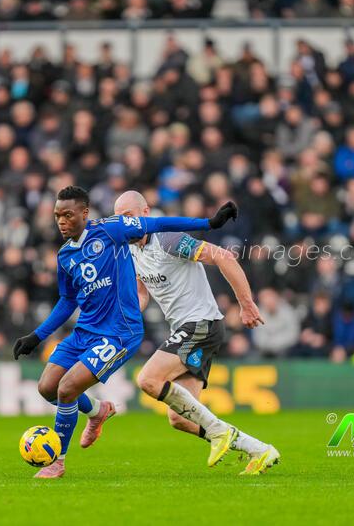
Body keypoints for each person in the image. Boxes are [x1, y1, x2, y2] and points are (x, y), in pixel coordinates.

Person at [12, 186, 239, 478]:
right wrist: (37, 336)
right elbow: (68, 300)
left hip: (118, 332)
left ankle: (57, 461)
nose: (61, 221)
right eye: (57, 216)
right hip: (85, 332)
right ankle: (97, 411)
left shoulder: (111, 230)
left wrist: (209, 223)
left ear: (85, 213)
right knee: (47, 388)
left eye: (67, 215)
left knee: (67, 388)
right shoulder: (65, 255)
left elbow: (157, 223)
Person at [114, 190, 280, 475]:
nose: (124, 224)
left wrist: (247, 305)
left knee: (148, 379)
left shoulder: (167, 239)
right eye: (119, 219)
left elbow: (224, 257)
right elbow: (142, 292)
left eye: (129, 217)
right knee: (179, 418)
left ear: (145, 213)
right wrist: (125, 316)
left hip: (200, 324)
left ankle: (219, 433)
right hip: (186, 328)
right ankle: (259, 450)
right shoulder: (131, 250)